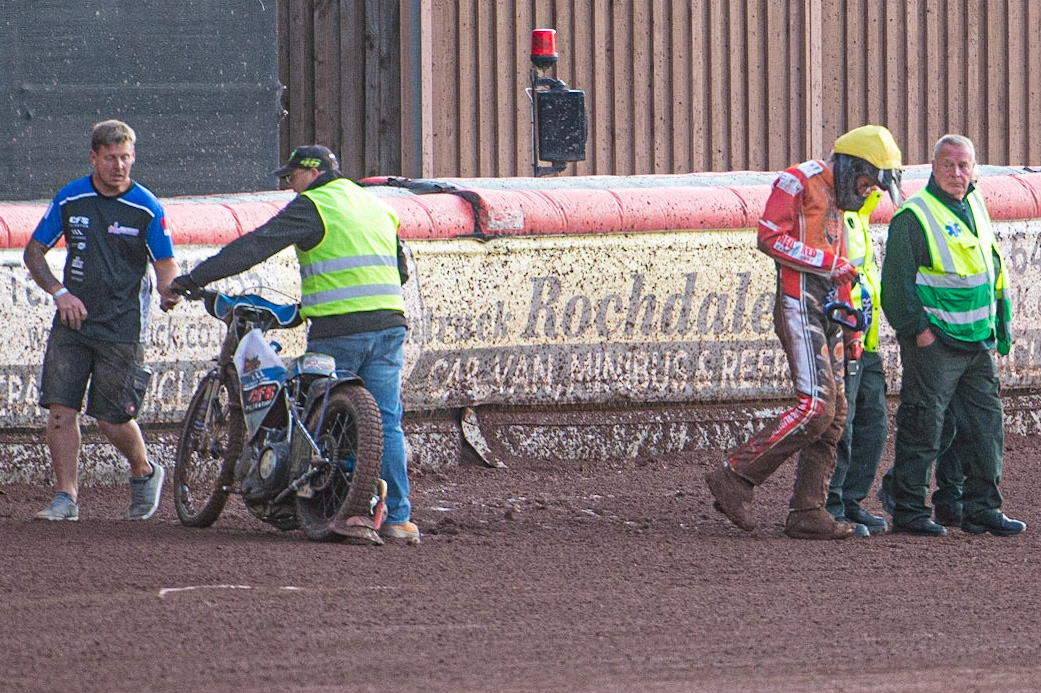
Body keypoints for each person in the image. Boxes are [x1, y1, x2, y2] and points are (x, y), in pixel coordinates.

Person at [170, 145, 418, 546]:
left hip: (340, 329)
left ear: (312, 171)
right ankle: (399, 519)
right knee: (384, 420)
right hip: (390, 324)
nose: (289, 185)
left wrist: (195, 278)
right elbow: (399, 271)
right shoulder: (375, 206)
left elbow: (257, 244)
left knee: (323, 419)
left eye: (291, 176)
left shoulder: (314, 205)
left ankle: (343, 511)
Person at [706, 125, 903, 539]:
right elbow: (769, 236)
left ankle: (808, 510)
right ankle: (735, 476)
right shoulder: (797, 181)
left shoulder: (841, 206)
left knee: (834, 416)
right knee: (815, 406)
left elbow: (842, 259)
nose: (868, 193)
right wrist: (827, 264)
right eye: (867, 183)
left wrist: (852, 327)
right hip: (797, 301)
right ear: (853, 168)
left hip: (829, 309)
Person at [25, 119, 180, 521]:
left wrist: (168, 291)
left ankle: (144, 471)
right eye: (110, 157)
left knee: (112, 419)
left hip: (123, 325)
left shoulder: (147, 206)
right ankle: (66, 497)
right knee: (60, 410)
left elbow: (165, 262)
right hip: (73, 322)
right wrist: (60, 293)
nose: (119, 166)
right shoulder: (69, 198)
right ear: (94, 157)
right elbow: (34, 252)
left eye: (125, 157)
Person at [880, 133, 1025, 537]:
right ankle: (909, 510)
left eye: (964, 166)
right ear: (933, 168)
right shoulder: (914, 215)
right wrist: (919, 332)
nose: (957, 173)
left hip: (977, 341)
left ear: (974, 170)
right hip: (936, 342)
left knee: (985, 428)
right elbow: (895, 286)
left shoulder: (975, 202)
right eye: (949, 165)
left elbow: (991, 270)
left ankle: (980, 509)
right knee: (924, 427)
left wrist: (1000, 328)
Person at [826, 189, 889, 536]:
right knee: (843, 425)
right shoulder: (838, 213)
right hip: (845, 338)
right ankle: (831, 504)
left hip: (867, 340)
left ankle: (850, 501)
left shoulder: (859, 215)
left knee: (874, 424)